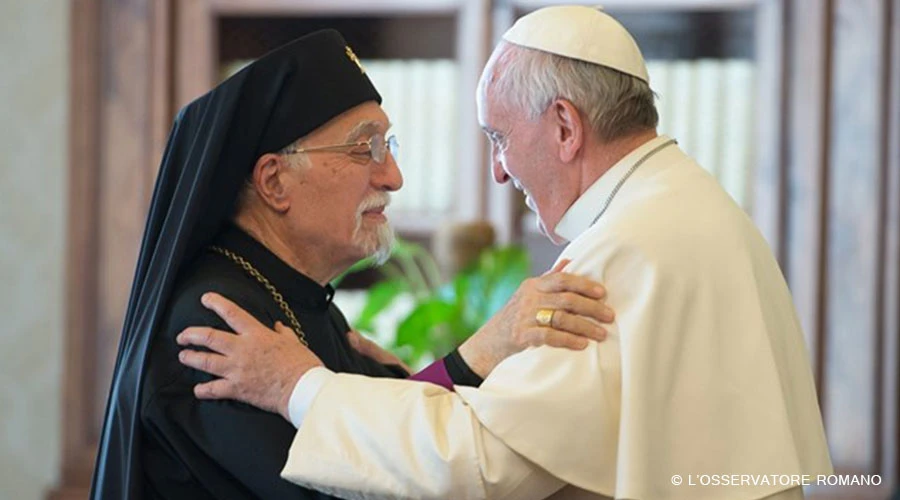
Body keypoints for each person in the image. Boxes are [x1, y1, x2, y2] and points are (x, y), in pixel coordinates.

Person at [177, 6, 834, 500]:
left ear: (565, 127)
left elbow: (479, 459)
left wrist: (299, 386)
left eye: (499, 138)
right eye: (364, 151)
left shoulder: (626, 250)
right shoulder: (687, 209)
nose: (498, 171)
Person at [90, 29, 615, 500]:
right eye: (367, 148)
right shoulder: (215, 323)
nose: (393, 177)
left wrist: (471, 357)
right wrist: (481, 351)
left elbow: (384, 444)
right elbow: (352, 486)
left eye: (388, 145)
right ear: (274, 182)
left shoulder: (297, 298)